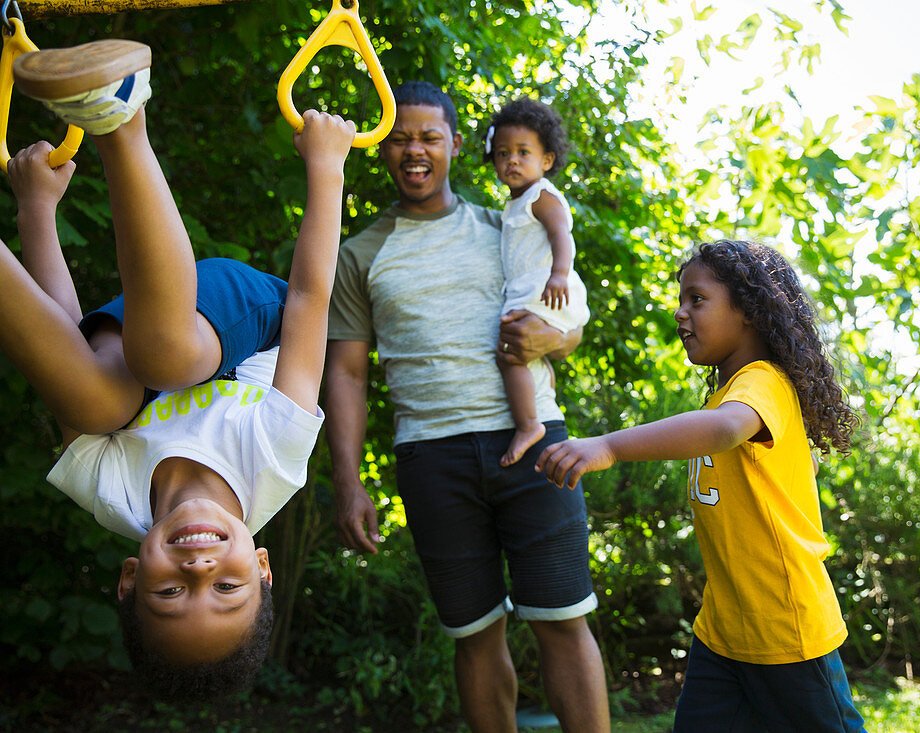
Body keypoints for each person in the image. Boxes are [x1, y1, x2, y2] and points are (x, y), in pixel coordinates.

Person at [2, 39, 356, 696]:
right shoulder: (272, 460)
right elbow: (311, 302)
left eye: (171, 588)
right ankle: (122, 117)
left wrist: (38, 211)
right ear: (262, 564)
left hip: (135, 332)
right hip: (254, 316)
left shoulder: (110, 490)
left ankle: (111, 111)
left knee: (93, 403)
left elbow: (67, 344)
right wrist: (328, 169)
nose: (199, 562)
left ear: (131, 577)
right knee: (162, 356)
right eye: (226, 584)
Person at [325, 81, 610, 732]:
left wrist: (558, 337)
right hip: (432, 458)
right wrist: (348, 483)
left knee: (564, 620)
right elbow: (345, 372)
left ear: (455, 145)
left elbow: (565, 321)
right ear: (380, 147)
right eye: (399, 138)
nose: (414, 151)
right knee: (475, 633)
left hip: (535, 444)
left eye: (428, 137)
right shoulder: (359, 254)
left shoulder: (505, 225)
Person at [536, 240, 866, 732]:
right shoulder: (728, 392)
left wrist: (608, 446)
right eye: (681, 299)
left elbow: (725, 428)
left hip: (784, 628)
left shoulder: (763, 382)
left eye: (697, 299)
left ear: (749, 311)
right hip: (724, 629)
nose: (680, 312)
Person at [482, 97, 590, 466]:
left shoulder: (541, 196)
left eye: (523, 152)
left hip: (547, 289)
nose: (511, 160)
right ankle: (540, 388)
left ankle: (530, 424)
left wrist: (559, 274)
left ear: (546, 161)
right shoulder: (516, 202)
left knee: (508, 354)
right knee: (518, 352)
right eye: (502, 153)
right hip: (534, 289)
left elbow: (562, 234)